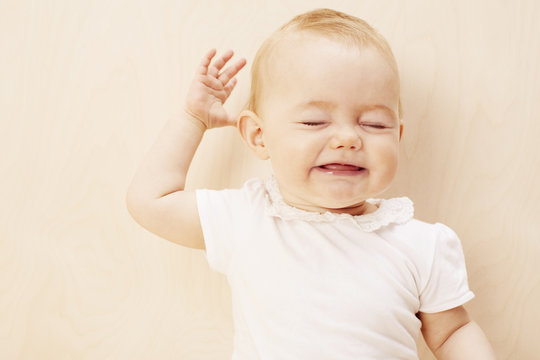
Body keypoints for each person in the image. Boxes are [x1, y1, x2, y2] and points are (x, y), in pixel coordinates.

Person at [126, 8, 496, 359]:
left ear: (397, 137)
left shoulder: (421, 244)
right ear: (259, 136)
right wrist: (193, 119)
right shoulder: (246, 219)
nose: (348, 139)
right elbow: (149, 201)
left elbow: (451, 332)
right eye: (315, 122)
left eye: (374, 124)